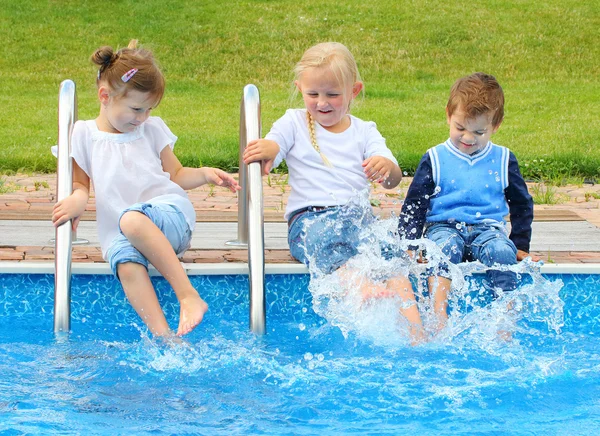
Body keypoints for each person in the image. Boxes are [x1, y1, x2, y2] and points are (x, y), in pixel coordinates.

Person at [52, 40, 240, 338]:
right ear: (105, 96)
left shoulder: (150, 129)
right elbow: (80, 183)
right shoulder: (83, 134)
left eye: (149, 109)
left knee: (132, 219)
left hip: (168, 217)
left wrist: (204, 174)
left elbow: (176, 174)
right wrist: (77, 200)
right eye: (137, 109)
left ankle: (188, 296)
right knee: (125, 264)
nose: (142, 118)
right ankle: (166, 339)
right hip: (124, 231)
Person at [243, 42, 424, 341]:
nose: (322, 102)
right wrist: (270, 148)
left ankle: (416, 331)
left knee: (393, 257)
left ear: (354, 91)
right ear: (299, 87)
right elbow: (275, 146)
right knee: (327, 242)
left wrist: (386, 168)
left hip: (357, 219)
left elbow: (393, 179)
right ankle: (360, 286)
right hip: (309, 220)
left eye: (332, 94)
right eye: (312, 94)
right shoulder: (294, 122)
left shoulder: (365, 131)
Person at [399, 72, 534, 331]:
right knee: (442, 249)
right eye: (460, 128)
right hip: (444, 227)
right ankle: (439, 315)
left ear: (496, 125)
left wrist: (519, 244)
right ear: (449, 115)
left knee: (501, 252)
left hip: (488, 230)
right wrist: (410, 244)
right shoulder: (435, 157)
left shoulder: (504, 159)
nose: (468, 138)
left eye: (479, 131)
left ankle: (504, 319)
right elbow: (415, 205)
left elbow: (521, 204)